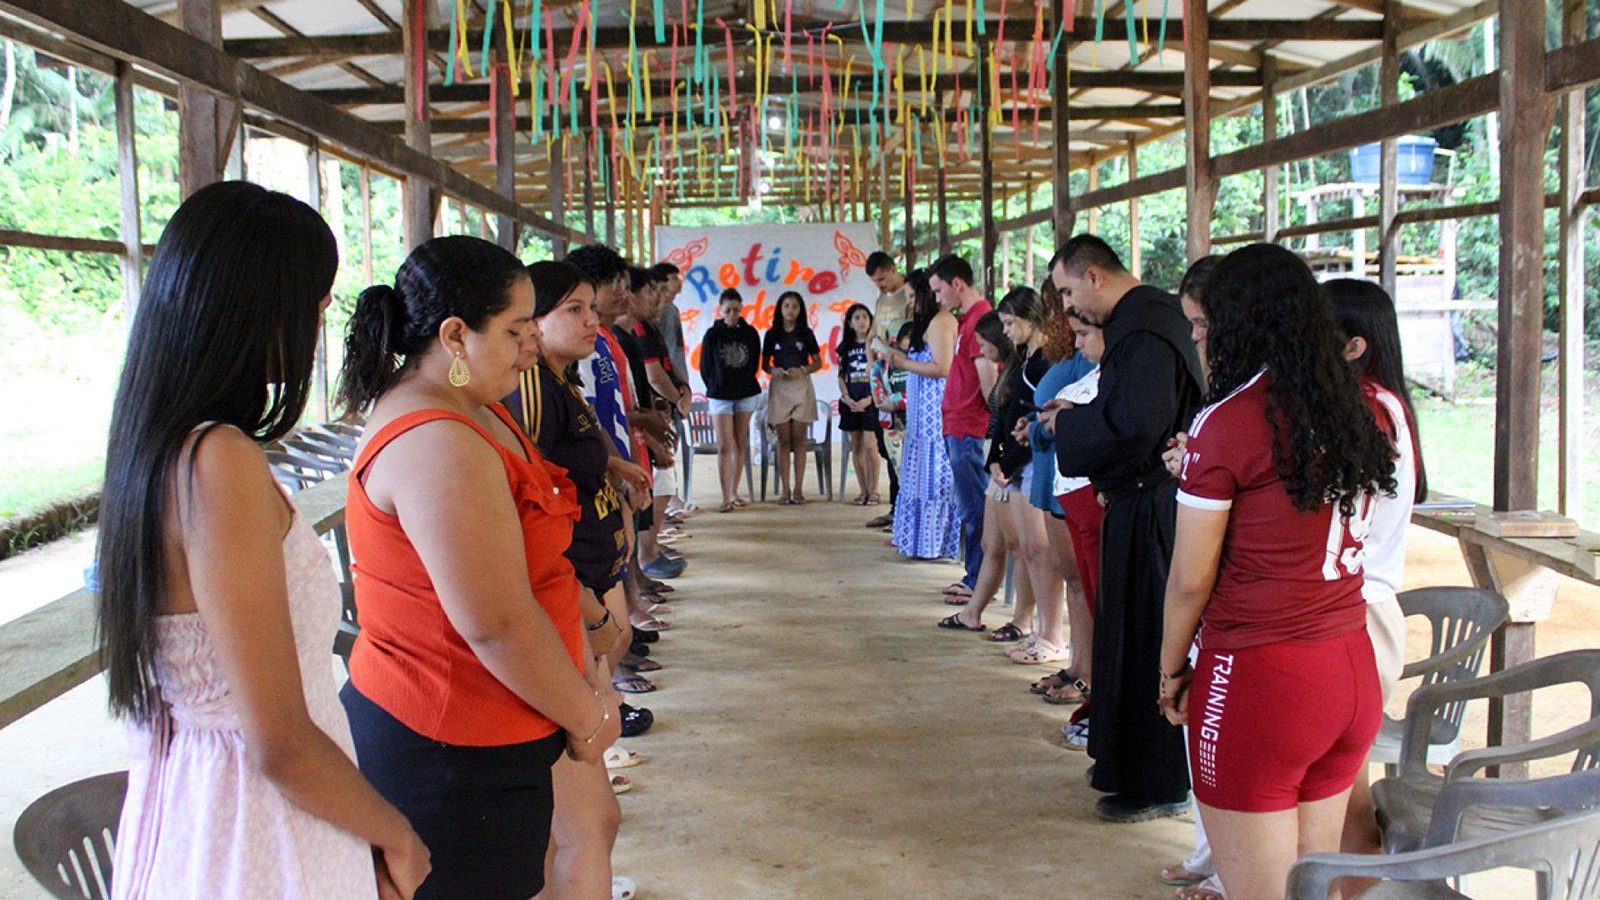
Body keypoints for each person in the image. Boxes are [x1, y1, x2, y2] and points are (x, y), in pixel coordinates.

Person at [99, 181, 429, 900]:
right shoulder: (218, 461)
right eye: (311, 302)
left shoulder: (154, 451)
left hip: (199, 804)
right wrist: (396, 833)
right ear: (254, 309)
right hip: (258, 826)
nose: (317, 323)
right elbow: (279, 741)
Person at [337, 235, 619, 899]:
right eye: (517, 328)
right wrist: (586, 715)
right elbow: (496, 622)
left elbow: (531, 567)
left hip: (499, 729)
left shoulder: (472, 408)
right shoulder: (436, 441)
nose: (531, 345)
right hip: (448, 749)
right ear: (456, 335)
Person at [1158, 243, 1396, 900]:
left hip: (1264, 680)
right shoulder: (1360, 405)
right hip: (1349, 667)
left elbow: (1189, 579)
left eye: (1206, 326)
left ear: (1238, 324)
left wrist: (1171, 668)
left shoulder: (1230, 421)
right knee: (1307, 884)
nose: (1201, 340)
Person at [1044, 234, 1203, 823]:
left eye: (1066, 291)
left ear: (1094, 278)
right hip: (1134, 506)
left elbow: (1137, 424)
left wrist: (1070, 426)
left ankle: (1156, 780)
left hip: (1154, 507)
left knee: (1145, 641)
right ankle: (1127, 764)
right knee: (1126, 636)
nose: (1066, 309)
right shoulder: (1142, 323)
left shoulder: (1146, 327)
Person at [502, 260, 642, 899]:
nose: (594, 319)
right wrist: (587, 609)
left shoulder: (552, 381)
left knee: (584, 824)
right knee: (577, 828)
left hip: (573, 596)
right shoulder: (521, 395)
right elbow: (528, 519)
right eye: (575, 310)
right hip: (561, 606)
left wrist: (612, 464)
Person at [1326, 278, 1428, 872]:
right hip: (1362, 611)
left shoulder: (1369, 409)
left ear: (1354, 346)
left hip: (1360, 614)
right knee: (1338, 787)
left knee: (1345, 796)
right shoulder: (1381, 403)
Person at [935, 312, 1038, 642]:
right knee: (991, 542)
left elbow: (1018, 421)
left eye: (983, 343)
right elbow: (998, 417)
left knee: (1022, 548)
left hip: (1017, 465)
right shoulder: (1010, 369)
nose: (979, 348)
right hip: (1001, 460)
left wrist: (1006, 461)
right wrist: (993, 459)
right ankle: (973, 613)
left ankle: (1023, 619)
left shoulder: (1027, 369)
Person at [928, 254, 996, 599]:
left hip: (970, 426)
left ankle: (978, 580)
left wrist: (992, 423)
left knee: (975, 508)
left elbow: (988, 380)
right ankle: (975, 576)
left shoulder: (980, 320)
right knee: (969, 506)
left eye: (939, 291)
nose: (937, 300)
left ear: (957, 284)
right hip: (959, 424)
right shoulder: (968, 319)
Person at [884, 269, 961, 561]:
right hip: (920, 416)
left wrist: (903, 362)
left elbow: (942, 368)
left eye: (914, 296)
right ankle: (917, 541)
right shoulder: (927, 323)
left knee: (933, 478)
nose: (911, 303)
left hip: (935, 413)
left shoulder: (942, 321)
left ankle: (934, 543)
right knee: (918, 476)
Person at [699, 287, 763, 512]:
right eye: (728, 310)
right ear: (721, 310)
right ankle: (725, 496)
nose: (732, 315)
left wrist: (742, 381)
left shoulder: (750, 333)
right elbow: (705, 366)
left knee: (740, 441)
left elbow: (755, 362)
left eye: (736, 310)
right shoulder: (712, 334)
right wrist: (715, 384)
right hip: (720, 394)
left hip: (744, 392)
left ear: (742, 309)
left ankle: (734, 491)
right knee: (725, 444)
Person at [761, 289, 822, 504]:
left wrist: (803, 370)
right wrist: (773, 370)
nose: (790, 310)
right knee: (783, 441)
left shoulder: (806, 333)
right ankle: (785, 490)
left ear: (800, 310)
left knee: (799, 440)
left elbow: (818, 362)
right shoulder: (771, 334)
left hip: (801, 386)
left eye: (795, 306)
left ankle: (798, 489)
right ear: (779, 308)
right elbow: (764, 364)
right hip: (780, 387)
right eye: (786, 305)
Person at [865, 251, 912, 527]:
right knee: (888, 445)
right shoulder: (882, 298)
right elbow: (874, 333)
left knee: (905, 446)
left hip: (904, 373)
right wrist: (873, 366)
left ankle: (905, 513)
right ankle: (896, 508)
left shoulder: (909, 293)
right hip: (882, 371)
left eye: (882, 279)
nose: (880, 286)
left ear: (894, 269)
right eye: (875, 282)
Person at [836, 302, 883, 506]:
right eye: (857, 318)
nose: (861, 321)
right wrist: (846, 397)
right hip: (851, 401)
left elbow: (881, 374)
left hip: (870, 400)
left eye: (865, 317)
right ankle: (862, 490)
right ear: (849, 323)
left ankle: (874, 490)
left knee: (870, 444)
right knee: (856, 446)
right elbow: (840, 375)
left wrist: (871, 399)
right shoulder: (845, 347)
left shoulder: (876, 345)